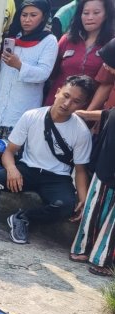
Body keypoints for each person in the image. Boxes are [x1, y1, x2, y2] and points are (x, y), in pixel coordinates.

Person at [0, 75, 95, 244]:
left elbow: (80, 170)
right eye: (66, 96)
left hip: (57, 178)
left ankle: (23, 218)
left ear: (83, 105)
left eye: (76, 101)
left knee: (66, 206)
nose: (67, 104)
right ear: (57, 92)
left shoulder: (81, 132)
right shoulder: (32, 116)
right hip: (27, 170)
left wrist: (84, 201)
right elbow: (9, 152)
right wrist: (12, 169)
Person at [0, 0, 58, 139]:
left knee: (13, 155)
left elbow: (43, 73)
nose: (27, 19)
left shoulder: (49, 41)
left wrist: (19, 65)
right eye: (24, 15)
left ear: (43, 17)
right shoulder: (12, 37)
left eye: (33, 15)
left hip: (22, 110)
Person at [70, 66, 115, 275]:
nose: (105, 67)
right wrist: (85, 114)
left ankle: (99, 258)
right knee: (96, 206)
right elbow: (110, 114)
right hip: (107, 160)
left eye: (109, 62)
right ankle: (90, 253)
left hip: (108, 159)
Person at [43, 0, 114, 106]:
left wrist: (87, 114)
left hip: (87, 107)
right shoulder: (67, 39)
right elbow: (51, 73)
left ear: (106, 15)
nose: (90, 17)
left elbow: (106, 84)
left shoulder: (111, 45)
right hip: (56, 104)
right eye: (85, 13)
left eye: (96, 12)